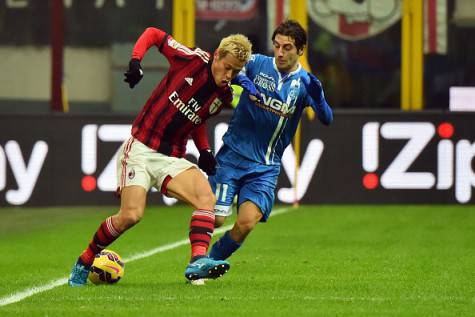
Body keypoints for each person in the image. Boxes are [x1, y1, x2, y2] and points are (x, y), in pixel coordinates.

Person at [68, 26, 253, 286]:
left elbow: (197, 118)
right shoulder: (192, 59)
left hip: (172, 157)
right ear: (218, 55)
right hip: (141, 148)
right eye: (228, 67)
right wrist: (136, 60)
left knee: (206, 199)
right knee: (130, 215)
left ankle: (197, 262)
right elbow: (153, 34)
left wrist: (204, 151)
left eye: (236, 72)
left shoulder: (222, 95)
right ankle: (84, 261)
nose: (230, 75)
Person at [207, 20, 333, 266]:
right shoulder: (256, 63)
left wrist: (318, 98)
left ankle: (209, 260)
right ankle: (200, 235)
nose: (280, 52)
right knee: (217, 219)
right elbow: (227, 71)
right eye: (276, 46)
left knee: (246, 223)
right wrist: (240, 80)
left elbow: (327, 119)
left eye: (287, 47)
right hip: (233, 155)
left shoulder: (305, 83)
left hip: (265, 166)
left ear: (300, 50)